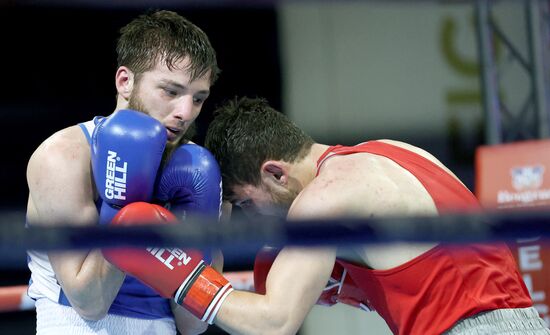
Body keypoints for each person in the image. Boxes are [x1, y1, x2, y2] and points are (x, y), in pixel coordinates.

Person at [116, 96, 548, 335]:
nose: (258, 220)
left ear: (274, 173)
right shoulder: (395, 151)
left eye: (248, 204)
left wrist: (183, 276)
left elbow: (275, 324)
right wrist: (358, 279)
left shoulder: (322, 201)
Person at [25, 10, 222, 335]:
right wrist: (125, 208)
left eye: (198, 99)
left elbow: (194, 325)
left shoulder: (194, 172)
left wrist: (196, 246)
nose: (185, 113)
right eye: (171, 92)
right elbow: (90, 303)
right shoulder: (64, 157)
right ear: (125, 81)